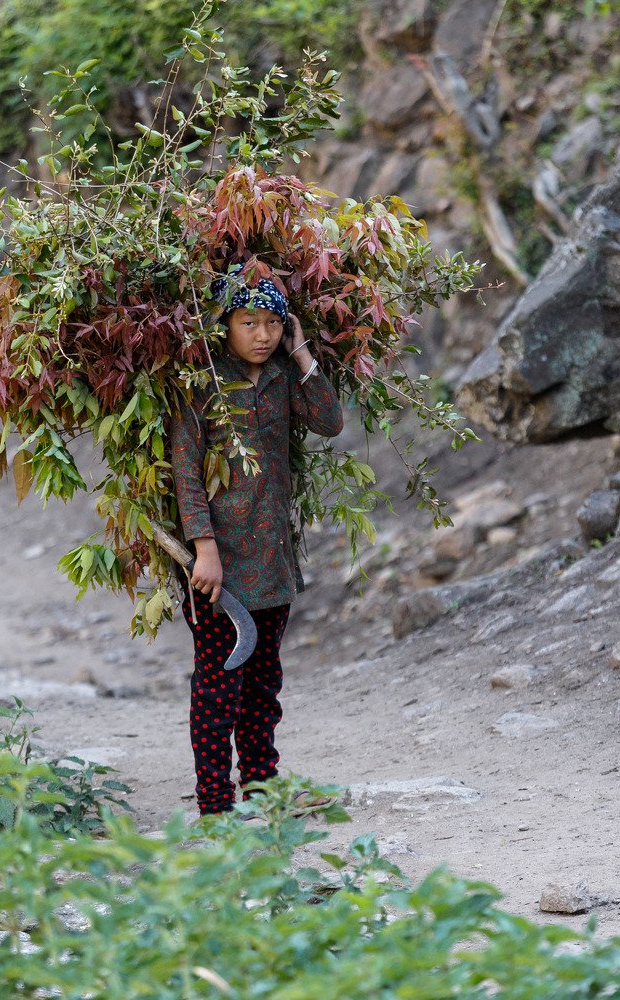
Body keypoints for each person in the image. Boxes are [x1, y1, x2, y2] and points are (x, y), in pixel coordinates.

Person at [170, 272, 344, 816]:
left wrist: (301, 351)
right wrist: (205, 549)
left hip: (273, 558)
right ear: (224, 326)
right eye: (249, 323)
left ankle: (263, 792)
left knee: (263, 684)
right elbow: (186, 473)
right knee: (217, 688)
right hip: (218, 567)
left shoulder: (282, 376)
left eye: (272, 323)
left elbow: (330, 422)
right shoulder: (202, 385)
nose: (263, 335)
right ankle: (215, 806)